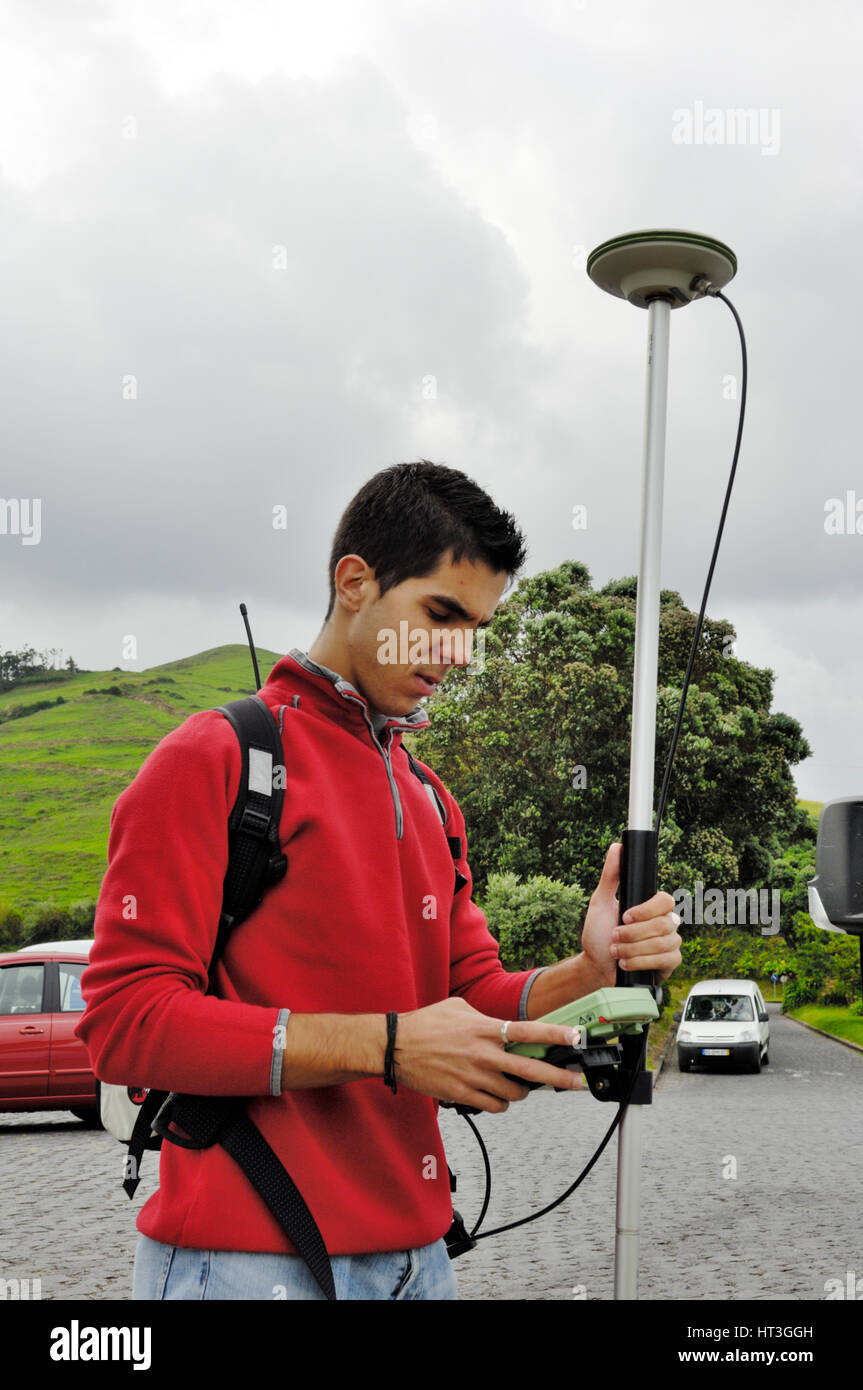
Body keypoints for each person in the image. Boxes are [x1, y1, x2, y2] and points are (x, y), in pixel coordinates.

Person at [75, 460, 681, 1301]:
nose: (457, 654)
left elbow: (471, 998)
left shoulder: (428, 796)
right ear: (354, 581)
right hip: (245, 1260)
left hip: (421, 1260)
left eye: (475, 627)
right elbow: (125, 1025)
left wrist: (591, 972)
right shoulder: (214, 758)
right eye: (439, 614)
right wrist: (389, 1047)